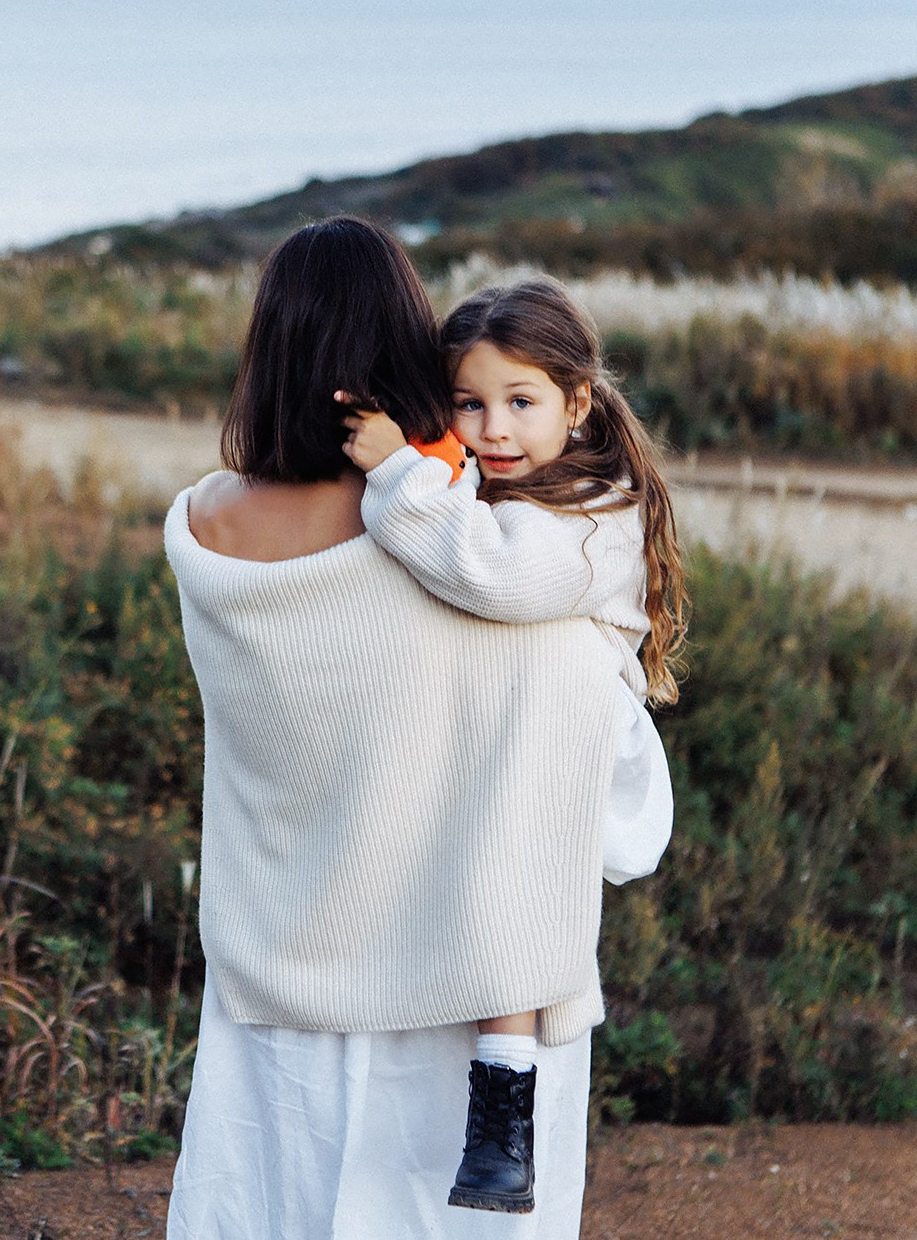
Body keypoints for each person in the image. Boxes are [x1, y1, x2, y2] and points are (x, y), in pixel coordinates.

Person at [164, 219, 672, 1238]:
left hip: (281, 964)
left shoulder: (201, 522)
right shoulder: (473, 549)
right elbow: (616, 800)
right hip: (466, 982)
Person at [335, 277, 686, 1212]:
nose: (495, 428)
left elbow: (495, 576)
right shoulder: (509, 480)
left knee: (514, 883)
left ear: (577, 402)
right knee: (489, 869)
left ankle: (504, 1107)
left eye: (521, 403)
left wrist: (396, 473)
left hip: (570, 744)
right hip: (516, 734)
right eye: (470, 403)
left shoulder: (595, 512)